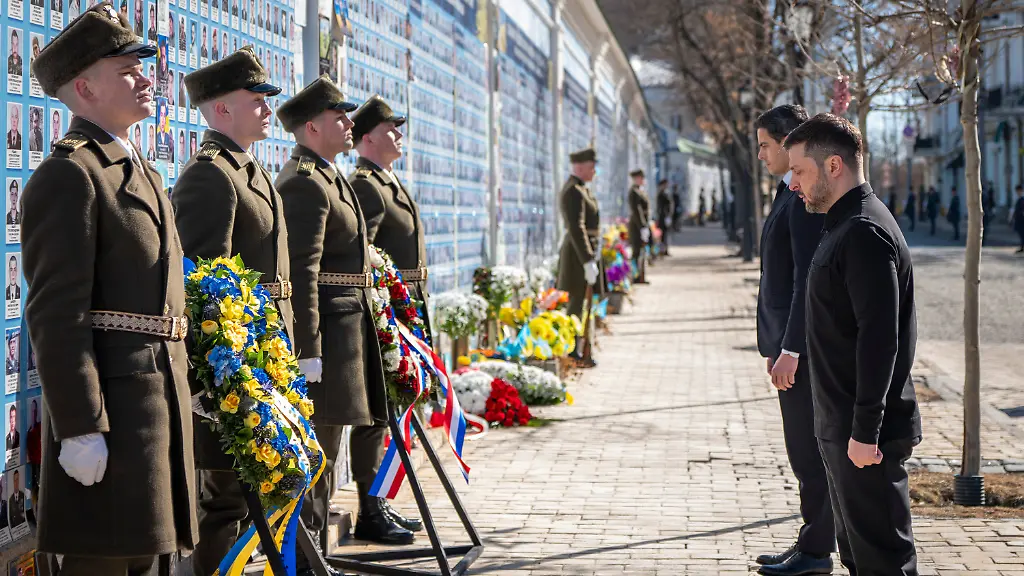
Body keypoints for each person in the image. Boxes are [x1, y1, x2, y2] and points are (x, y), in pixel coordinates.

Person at [25, 4, 198, 573]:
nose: (147, 78)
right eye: (127, 69)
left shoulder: (138, 169)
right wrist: (78, 426)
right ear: (85, 87)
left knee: (149, 560)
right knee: (102, 563)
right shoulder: (70, 174)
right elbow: (56, 314)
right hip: (112, 412)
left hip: (155, 404)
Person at [278, 77, 420, 572]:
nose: (347, 124)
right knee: (317, 449)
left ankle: (314, 554)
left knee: (331, 443)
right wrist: (308, 346)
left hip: (350, 330)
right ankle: (306, 557)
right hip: (330, 338)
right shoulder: (303, 182)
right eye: (338, 117)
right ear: (312, 126)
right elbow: (303, 271)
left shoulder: (328, 176)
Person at [172, 46, 295, 576]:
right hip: (235, 364)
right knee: (225, 495)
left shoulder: (248, 170)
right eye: (257, 99)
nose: (269, 107)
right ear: (220, 109)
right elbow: (204, 287)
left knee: (256, 493)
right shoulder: (210, 176)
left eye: (269, 98)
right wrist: (222, 381)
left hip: (267, 354)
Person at [785, 112, 921, 576]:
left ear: (834, 166)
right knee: (860, 559)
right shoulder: (843, 224)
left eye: (800, 171)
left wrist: (865, 431)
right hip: (842, 426)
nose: (794, 183)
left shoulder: (864, 231)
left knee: (884, 561)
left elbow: (879, 340)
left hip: (866, 437)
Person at [752, 105, 833, 576]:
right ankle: (812, 540)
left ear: (787, 143)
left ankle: (817, 550)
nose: (761, 154)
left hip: (798, 350)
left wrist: (790, 348)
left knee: (807, 450)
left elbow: (806, 278)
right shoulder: (787, 193)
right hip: (786, 344)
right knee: (801, 449)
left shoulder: (802, 199)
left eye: (765, 144)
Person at [348, 94, 430, 544]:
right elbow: (370, 256)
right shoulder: (365, 184)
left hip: (405, 306)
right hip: (387, 312)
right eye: (390, 130)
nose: (399, 136)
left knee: (393, 412)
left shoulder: (386, 180)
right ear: (366, 139)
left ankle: (381, 500)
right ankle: (368, 507)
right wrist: (389, 313)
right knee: (376, 414)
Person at [555, 148, 602, 368]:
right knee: (576, 304)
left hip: (583, 251)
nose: (594, 172)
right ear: (580, 167)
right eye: (592, 167)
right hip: (577, 254)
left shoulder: (581, 189)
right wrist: (586, 260)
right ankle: (573, 351)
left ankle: (580, 348)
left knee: (582, 303)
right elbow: (577, 227)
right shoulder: (573, 190)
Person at [627, 169, 651, 284]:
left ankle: (639, 276)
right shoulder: (634, 192)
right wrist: (642, 226)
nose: (642, 180)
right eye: (640, 178)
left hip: (641, 226)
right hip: (636, 227)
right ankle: (635, 276)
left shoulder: (639, 191)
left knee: (641, 252)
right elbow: (637, 211)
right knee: (636, 252)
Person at [26, 398, 40, 505]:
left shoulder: (39, 428)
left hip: (39, 463)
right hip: (35, 463)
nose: (33, 413)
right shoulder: (31, 430)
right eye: (32, 411)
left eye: (35, 411)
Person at [655, 179, 673, 257]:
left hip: (665, 217)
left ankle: (665, 250)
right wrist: (666, 216)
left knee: (666, 235)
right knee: (662, 235)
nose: (666, 186)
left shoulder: (666, 193)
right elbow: (662, 207)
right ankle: (662, 250)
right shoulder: (661, 194)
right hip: (663, 217)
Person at [1011, 184, 1024, 253]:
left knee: (1022, 233)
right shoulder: (1019, 199)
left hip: (1022, 220)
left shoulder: (1022, 199)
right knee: (1021, 233)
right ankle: (1022, 246)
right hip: (1019, 219)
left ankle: (1022, 247)